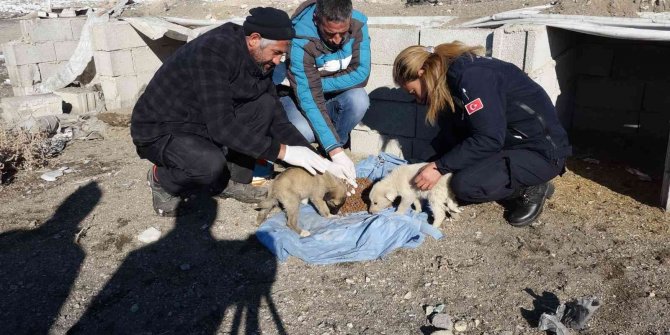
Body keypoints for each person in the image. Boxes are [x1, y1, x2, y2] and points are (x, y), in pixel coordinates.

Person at [131, 7, 333, 217]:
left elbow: (277, 119)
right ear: (254, 39)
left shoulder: (259, 58)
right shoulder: (212, 53)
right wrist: (284, 152)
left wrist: (313, 155)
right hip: (161, 128)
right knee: (208, 166)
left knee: (264, 105)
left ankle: (231, 180)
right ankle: (162, 180)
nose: (277, 61)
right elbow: (222, 127)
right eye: (276, 53)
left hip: (200, 120)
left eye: (282, 54)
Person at [392, 42, 572, 227]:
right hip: (506, 142)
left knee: (464, 185)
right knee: (442, 162)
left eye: (414, 92)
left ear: (422, 73)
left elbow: (488, 138)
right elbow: (453, 132)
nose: (418, 100)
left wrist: (439, 167)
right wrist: (422, 163)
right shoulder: (450, 76)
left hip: (540, 153)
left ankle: (530, 187)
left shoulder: (471, 78)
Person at [274, 0, 371, 187]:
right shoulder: (300, 39)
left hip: (319, 90)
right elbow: (309, 100)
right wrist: (336, 152)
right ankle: (325, 152)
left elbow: (361, 74)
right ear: (316, 19)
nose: (337, 40)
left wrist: (315, 85)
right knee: (304, 131)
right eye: (330, 33)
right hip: (296, 97)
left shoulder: (359, 24)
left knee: (358, 99)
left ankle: (332, 148)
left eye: (342, 33)